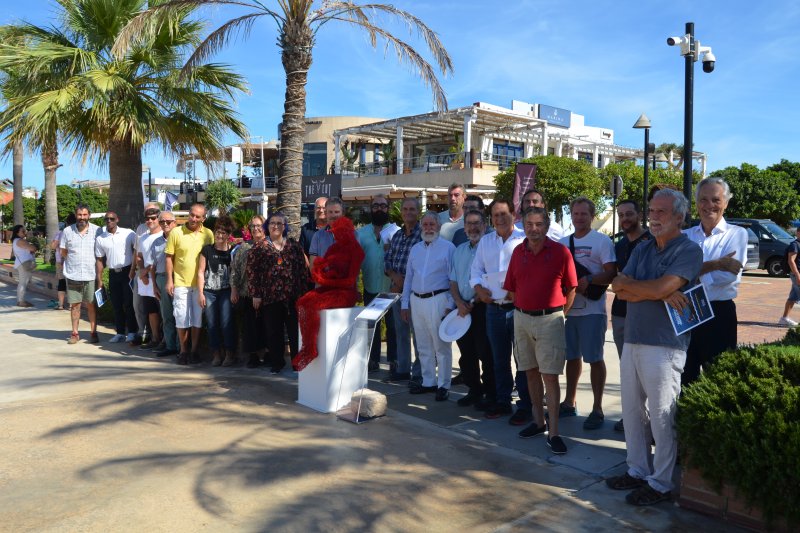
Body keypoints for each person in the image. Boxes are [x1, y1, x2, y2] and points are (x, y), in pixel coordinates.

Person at [607, 188, 703, 506]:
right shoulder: (643, 247)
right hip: (633, 338)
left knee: (662, 416)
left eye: (661, 211)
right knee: (632, 411)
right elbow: (618, 287)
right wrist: (660, 293)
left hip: (665, 345)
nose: (654, 216)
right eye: (652, 210)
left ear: (679, 217)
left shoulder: (688, 250)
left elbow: (651, 285)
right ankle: (637, 470)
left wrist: (654, 289)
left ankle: (661, 483)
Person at [505, 207, 577, 454]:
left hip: (550, 320)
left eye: (538, 224)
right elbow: (511, 288)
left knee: (550, 376)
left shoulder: (560, 252)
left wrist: (559, 315)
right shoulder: (518, 252)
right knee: (530, 372)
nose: (533, 229)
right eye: (529, 224)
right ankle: (538, 422)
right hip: (521, 318)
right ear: (523, 226)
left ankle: (554, 433)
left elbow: (571, 288)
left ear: (546, 226)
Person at [470, 199, 532, 423]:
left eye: (504, 214)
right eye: (495, 215)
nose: (500, 219)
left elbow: (531, 271)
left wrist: (519, 291)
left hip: (519, 308)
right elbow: (475, 271)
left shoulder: (524, 239)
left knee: (523, 359)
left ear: (513, 215)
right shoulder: (486, 242)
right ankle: (503, 401)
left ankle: (525, 405)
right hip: (494, 309)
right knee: (499, 359)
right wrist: (479, 289)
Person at [682, 177, 747, 386]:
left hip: (719, 313)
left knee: (718, 378)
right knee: (684, 378)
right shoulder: (684, 236)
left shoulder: (737, 234)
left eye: (716, 200)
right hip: (687, 311)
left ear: (725, 203)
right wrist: (716, 264)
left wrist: (689, 275)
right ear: (696, 203)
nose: (709, 205)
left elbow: (728, 276)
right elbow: (673, 273)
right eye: (703, 199)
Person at [559, 197, 616, 430]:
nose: (579, 217)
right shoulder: (563, 243)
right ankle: (569, 402)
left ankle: (597, 408)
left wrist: (589, 279)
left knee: (594, 359)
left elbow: (611, 273)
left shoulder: (602, 241)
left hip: (593, 310)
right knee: (571, 358)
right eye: (576, 213)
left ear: (592, 216)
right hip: (569, 311)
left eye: (584, 214)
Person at [401, 212, 455, 400]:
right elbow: (408, 278)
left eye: (432, 224)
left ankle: (444, 385)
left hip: (438, 299)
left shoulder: (448, 248)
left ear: (439, 226)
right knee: (423, 345)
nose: (429, 228)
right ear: (421, 227)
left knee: (441, 346)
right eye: (425, 225)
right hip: (417, 300)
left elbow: (453, 278)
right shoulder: (415, 249)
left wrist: (450, 304)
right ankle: (428, 381)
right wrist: (405, 303)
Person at [248, 213, 308, 373]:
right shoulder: (259, 247)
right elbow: (252, 272)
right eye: (272, 223)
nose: (276, 226)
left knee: (295, 331)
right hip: (270, 296)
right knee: (273, 331)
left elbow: (302, 270)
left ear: (284, 226)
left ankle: (297, 363)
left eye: (279, 223)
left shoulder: (294, 245)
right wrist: (256, 294)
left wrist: (304, 294)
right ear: (267, 226)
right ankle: (277, 363)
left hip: (293, 296)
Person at [610, 200, 651, 433]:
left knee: (647, 370)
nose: (625, 218)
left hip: (644, 314)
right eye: (621, 214)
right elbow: (616, 281)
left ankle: (649, 420)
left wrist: (627, 285)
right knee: (627, 370)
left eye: (629, 214)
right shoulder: (619, 245)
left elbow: (646, 281)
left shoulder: (652, 242)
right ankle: (632, 417)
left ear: (639, 214)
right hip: (620, 313)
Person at [449, 209, 495, 407]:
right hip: (461, 308)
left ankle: (491, 394)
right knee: (466, 354)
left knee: (485, 352)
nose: (473, 227)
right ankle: (474, 390)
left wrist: (473, 302)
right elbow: (452, 281)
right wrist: (459, 302)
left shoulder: (489, 249)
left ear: (484, 225)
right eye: (469, 223)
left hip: (482, 307)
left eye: (477, 223)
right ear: (464, 227)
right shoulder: (459, 250)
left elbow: (490, 281)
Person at [166, 203, 214, 365]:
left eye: (197, 216)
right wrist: (170, 280)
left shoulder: (208, 234)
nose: (193, 218)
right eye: (191, 214)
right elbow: (169, 257)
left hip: (200, 286)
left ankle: (194, 351)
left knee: (197, 319)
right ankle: (183, 351)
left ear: (203, 219)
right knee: (181, 318)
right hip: (180, 283)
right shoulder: (176, 232)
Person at [357, 194, 399, 373]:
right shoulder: (361, 233)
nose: (379, 209)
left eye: (383, 205)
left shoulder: (397, 232)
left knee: (393, 327)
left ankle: (394, 360)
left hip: (392, 288)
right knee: (372, 325)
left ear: (388, 208)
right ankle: (372, 359)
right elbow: (356, 262)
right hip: (370, 287)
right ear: (370, 208)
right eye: (375, 206)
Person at [384, 197, 422, 384]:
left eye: (412, 209)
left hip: (415, 293)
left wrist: (403, 282)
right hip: (397, 293)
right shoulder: (397, 235)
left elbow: (424, 265)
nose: (408, 212)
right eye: (405, 209)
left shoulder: (423, 234)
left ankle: (419, 373)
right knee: (401, 332)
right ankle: (403, 369)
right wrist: (394, 276)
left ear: (418, 212)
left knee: (418, 335)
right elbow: (387, 260)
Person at [94, 211, 138, 343]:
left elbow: (137, 250)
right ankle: (120, 333)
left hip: (127, 272)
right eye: (107, 219)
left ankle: (132, 332)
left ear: (117, 219)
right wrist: (100, 279)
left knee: (129, 303)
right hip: (113, 273)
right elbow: (99, 260)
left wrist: (134, 269)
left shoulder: (128, 233)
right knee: (116, 304)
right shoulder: (101, 238)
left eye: (112, 219)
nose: (109, 221)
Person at [197, 216, 235, 367]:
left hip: (226, 291)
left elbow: (234, 273)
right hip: (209, 292)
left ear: (228, 235)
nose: (220, 235)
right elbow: (201, 272)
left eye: (223, 233)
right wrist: (200, 293)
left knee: (226, 323)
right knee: (212, 324)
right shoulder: (207, 250)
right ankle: (216, 354)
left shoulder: (232, 252)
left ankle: (229, 353)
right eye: (218, 232)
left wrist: (234, 291)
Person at [60, 204, 101, 344]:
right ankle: (74, 333)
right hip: (73, 274)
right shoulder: (67, 231)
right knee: (75, 306)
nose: (82, 217)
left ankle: (93, 332)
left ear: (89, 215)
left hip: (91, 275)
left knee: (91, 304)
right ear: (75, 215)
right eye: (79, 215)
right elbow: (63, 251)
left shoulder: (97, 231)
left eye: (84, 215)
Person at [230, 215, 267, 368]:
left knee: (267, 326)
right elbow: (235, 270)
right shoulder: (244, 247)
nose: (256, 228)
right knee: (250, 327)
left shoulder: (270, 245)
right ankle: (253, 356)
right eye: (253, 226)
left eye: (259, 225)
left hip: (268, 294)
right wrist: (234, 290)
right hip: (247, 293)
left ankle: (268, 354)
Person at [133, 206, 164, 349]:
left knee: (163, 311)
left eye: (153, 218)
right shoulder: (142, 238)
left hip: (159, 278)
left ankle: (165, 341)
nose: (150, 221)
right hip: (146, 281)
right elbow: (139, 256)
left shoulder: (164, 236)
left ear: (158, 218)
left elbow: (159, 260)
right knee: (151, 311)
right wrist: (141, 271)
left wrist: (144, 272)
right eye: (147, 219)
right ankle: (155, 338)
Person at [149, 212, 179, 358]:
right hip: (161, 278)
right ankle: (170, 346)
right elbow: (152, 266)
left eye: (168, 221)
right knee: (166, 315)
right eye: (162, 222)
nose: (165, 224)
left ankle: (181, 347)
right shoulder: (156, 242)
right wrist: (154, 286)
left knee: (180, 314)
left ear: (175, 222)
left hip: (178, 279)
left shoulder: (181, 238)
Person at [309, 197, 344, 270]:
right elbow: (313, 266)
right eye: (330, 212)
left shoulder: (353, 235)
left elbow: (355, 265)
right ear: (326, 214)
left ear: (342, 214)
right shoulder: (318, 236)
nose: (333, 215)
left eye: (336, 212)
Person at [50, 213, 77, 310]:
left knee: (62, 282)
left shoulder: (60, 233)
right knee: (71, 282)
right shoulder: (77, 233)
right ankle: (71, 305)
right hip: (73, 261)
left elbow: (53, 246)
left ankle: (61, 304)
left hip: (60, 261)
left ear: (66, 222)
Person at [11, 224, 37, 308]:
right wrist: (31, 244)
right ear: (17, 232)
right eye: (23, 231)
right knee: (23, 283)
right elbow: (33, 248)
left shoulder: (17, 240)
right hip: (24, 264)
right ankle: (21, 301)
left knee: (23, 282)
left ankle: (21, 300)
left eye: (25, 231)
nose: (25, 232)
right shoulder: (20, 241)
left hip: (22, 263)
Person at [779, 226, 800, 326]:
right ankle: (784, 318)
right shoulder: (795, 245)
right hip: (796, 273)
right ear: (798, 233)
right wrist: (797, 275)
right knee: (794, 296)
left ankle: (784, 318)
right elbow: (791, 261)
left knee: (793, 296)